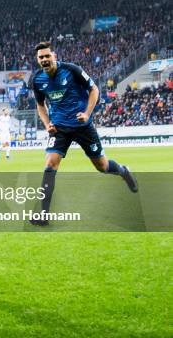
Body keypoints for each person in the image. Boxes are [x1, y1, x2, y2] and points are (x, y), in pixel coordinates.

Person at [30, 41, 138, 226]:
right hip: (59, 129)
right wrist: (47, 124)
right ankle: (44, 215)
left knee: (102, 166)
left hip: (82, 126)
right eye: (41, 57)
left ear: (54, 56)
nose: (45, 59)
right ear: (37, 60)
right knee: (49, 166)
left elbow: (94, 89)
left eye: (47, 56)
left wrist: (87, 113)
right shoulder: (37, 79)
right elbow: (40, 105)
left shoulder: (72, 70)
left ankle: (123, 170)